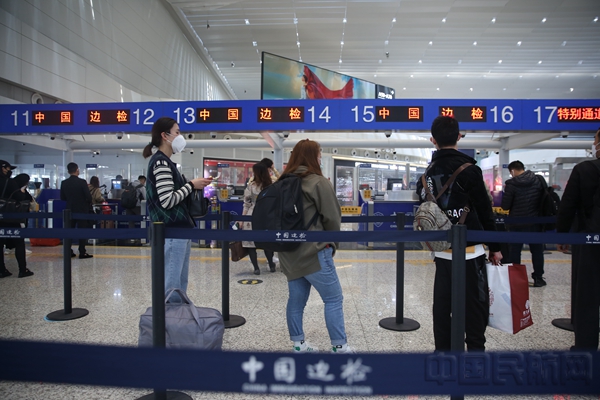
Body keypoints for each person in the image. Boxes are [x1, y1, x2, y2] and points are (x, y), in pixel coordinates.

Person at [415, 116, 502, 352]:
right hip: (471, 252)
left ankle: (444, 355)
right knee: (475, 308)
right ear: (459, 137)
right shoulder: (471, 171)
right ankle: (474, 356)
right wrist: (495, 247)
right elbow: (485, 212)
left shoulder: (425, 177)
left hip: (441, 252)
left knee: (442, 307)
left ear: (433, 140)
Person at [278, 139, 353, 354]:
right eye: (319, 154)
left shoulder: (282, 183)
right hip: (314, 252)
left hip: (289, 253)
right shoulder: (318, 182)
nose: (320, 158)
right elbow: (332, 218)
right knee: (333, 299)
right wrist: (332, 245)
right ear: (313, 157)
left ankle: (298, 345)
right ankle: (339, 346)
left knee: (296, 301)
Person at [143, 117, 212, 303]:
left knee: (179, 283)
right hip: (172, 230)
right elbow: (167, 201)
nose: (181, 136)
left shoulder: (166, 162)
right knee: (173, 287)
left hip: (178, 230)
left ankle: (177, 316)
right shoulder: (161, 163)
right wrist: (191, 185)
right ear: (165, 136)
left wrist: (192, 185)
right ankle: (171, 318)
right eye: (177, 132)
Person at [556, 128, 600, 350]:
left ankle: (585, 348)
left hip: (589, 240)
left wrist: (562, 234)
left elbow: (568, 205)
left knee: (588, 297)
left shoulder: (584, 169)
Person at [501, 160, 546, 287]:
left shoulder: (511, 184)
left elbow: (505, 206)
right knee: (537, 251)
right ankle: (538, 278)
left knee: (515, 251)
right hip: (536, 221)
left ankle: (516, 279)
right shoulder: (538, 180)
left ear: (512, 171)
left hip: (516, 223)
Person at [0, 161, 34, 278]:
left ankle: (1, 270)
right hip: (10, 217)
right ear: (3, 169)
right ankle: (22, 269)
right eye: (8, 169)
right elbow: (20, 197)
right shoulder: (9, 182)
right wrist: (22, 192)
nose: (9, 171)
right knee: (19, 243)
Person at [240, 163, 276, 275]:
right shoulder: (272, 185)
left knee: (250, 244)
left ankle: (256, 268)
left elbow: (246, 204)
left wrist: (242, 219)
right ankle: (271, 264)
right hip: (267, 216)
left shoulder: (251, 186)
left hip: (251, 215)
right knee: (267, 241)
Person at [61, 162, 93, 259]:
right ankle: (82, 252)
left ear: (68, 171)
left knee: (69, 231)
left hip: (69, 210)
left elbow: (62, 197)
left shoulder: (64, 183)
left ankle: (68, 251)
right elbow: (88, 197)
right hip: (82, 210)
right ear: (77, 170)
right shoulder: (82, 182)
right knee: (82, 231)